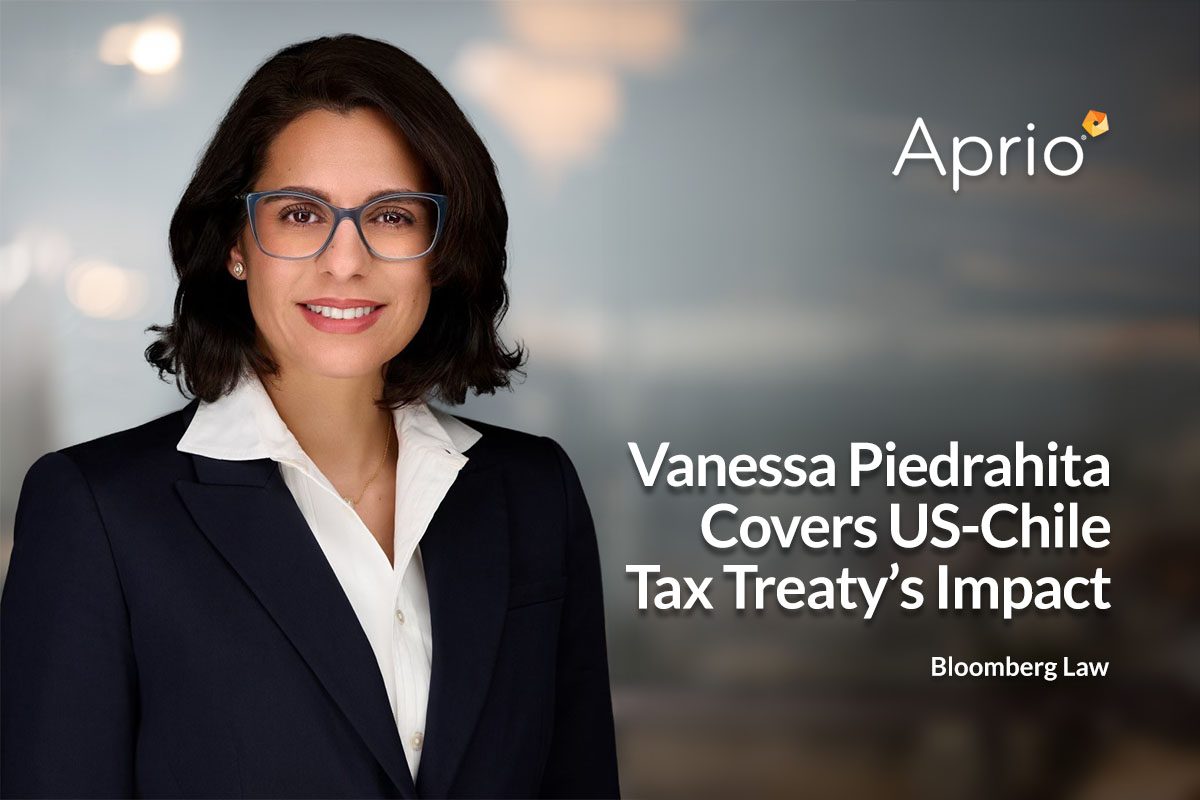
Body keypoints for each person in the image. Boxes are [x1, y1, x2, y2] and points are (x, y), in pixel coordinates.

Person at [0, 33, 620, 799]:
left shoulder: (535, 495)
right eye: (299, 214)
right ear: (236, 244)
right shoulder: (97, 514)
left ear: (440, 247)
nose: (345, 260)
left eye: (391, 216)